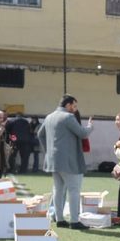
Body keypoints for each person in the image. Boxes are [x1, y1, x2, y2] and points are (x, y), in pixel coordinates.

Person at [41, 95, 90, 228]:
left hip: (53, 160)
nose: (75, 109)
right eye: (74, 106)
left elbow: (40, 134)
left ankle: (60, 219)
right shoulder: (68, 117)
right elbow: (82, 133)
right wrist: (90, 127)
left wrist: (48, 151)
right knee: (74, 190)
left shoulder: (49, 116)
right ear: (68, 105)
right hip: (68, 160)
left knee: (58, 189)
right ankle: (74, 221)